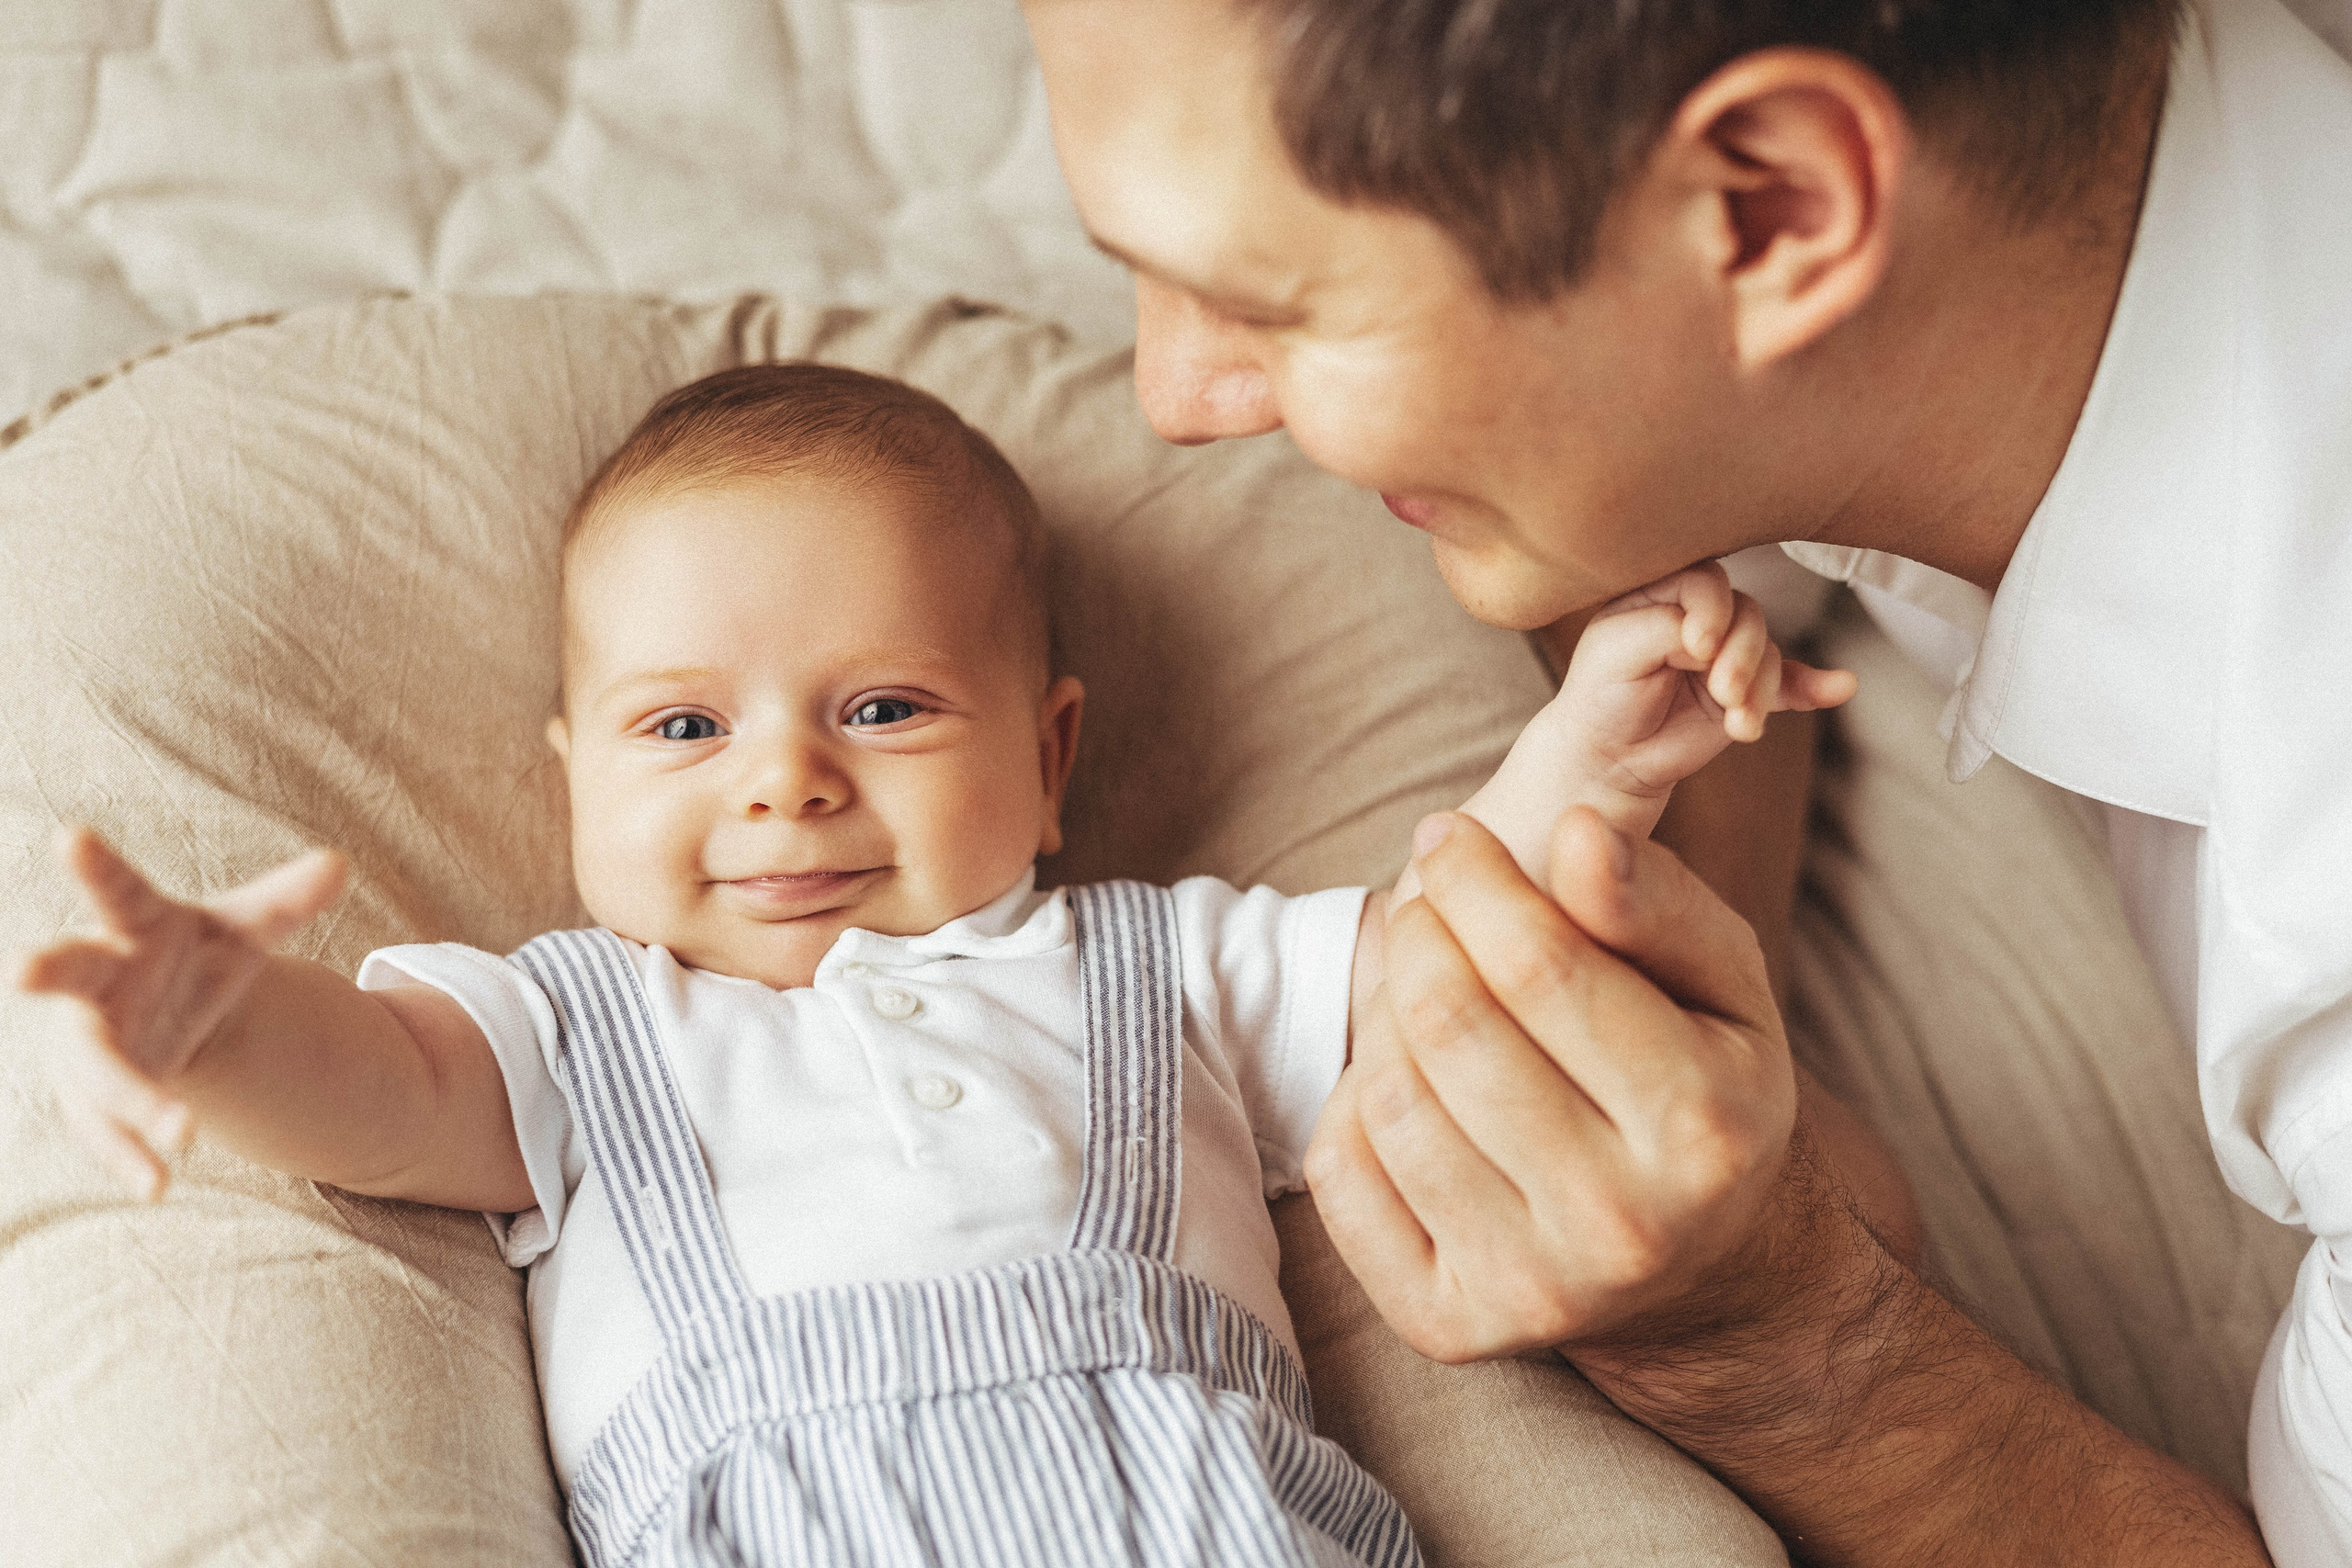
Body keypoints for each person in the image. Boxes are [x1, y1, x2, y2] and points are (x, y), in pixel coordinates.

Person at [16, 363, 1860, 1565]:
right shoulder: (580, 1016)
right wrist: (212, 1022)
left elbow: (1463, 955)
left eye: (884, 706)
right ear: (568, 781)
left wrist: (1591, 764)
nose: (785, 777)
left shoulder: (1163, 968)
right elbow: (384, 1090)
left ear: (1049, 762)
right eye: (682, 729)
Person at [1020, 0, 2352, 1561]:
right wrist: (1682, 977)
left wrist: (1789, 1347)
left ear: (1779, 207)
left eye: (1262, 298)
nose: (1179, 400)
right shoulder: (2004, 265)